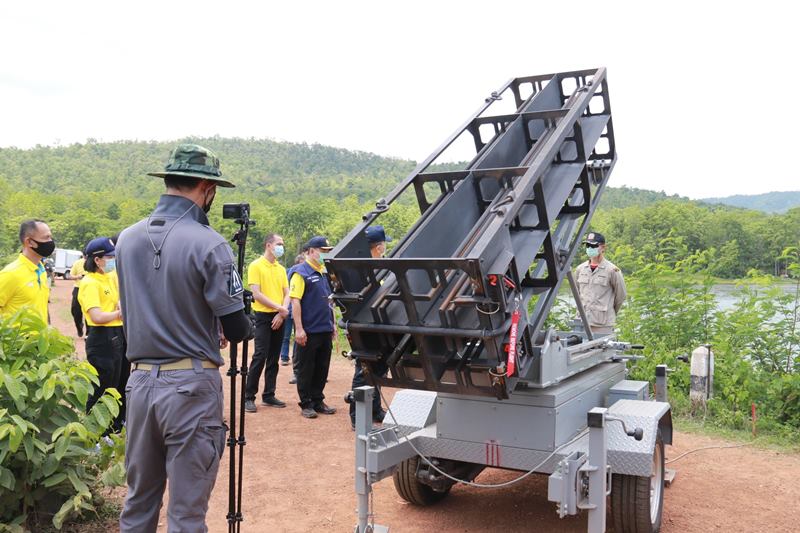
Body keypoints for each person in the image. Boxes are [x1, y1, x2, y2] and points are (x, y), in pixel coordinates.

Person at [115, 144, 253, 532]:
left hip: (139, 383)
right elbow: (239, 329)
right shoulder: (210, 243)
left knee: (139, 501)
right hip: (191, 386)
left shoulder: (126, 239)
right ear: (207, 188)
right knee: (187, 512)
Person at [78, 237, 126, 432]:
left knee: (117, 384)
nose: (113, 261)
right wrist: (119, 313)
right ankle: (95, 433)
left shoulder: (109, 276)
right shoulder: (89, 282)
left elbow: (121, 297)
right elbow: (96, 316)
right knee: (102, 387)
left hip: (117, 333)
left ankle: (114, 428)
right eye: (109, 257)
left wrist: (121, 306)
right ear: (97, 260)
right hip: (102, 338)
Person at [349, 225, 391, 428]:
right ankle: (357, 416)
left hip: (377, 325)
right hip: (365, 326)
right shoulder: (363, 269)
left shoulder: (375, 266)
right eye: (383, 245)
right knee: (364, 371)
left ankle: (375, 410)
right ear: (379, 246)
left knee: (379, 370)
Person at [290, 236, 337, 419]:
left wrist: (332, 325)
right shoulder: (300, 273)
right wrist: (299, 329)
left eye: (327, 251)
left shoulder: (324, 273)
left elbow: (329, 302)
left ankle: (318, 400)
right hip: (308, 330)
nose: (325, 254)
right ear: (310, 251)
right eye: (322, 251)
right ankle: (306, 403)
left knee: (322, 367)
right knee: (306, 368)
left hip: (324, 329)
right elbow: (295, 302)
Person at [244, 233, 290, 412]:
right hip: (263, 317)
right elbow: (256, 294)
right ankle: (249, 396)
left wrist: (282, 312)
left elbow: (287, 293)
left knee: (274, 357)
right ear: (268, 245)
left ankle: (269, 394)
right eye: (279, 243)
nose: (281, 247)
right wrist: (280, 308)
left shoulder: (281, 268)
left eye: (282, 244)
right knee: (260, 355)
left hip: (279, 316)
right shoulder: (256, 266)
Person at [0, 219, 54, 323]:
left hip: (40, 338)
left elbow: (41, 305)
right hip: (17, 339)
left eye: (50, 237)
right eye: (46, 237)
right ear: (29, 242)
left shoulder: (41, 270)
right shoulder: (10, 274)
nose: (50, 242)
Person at [574, 232, 627, 336]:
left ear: (603, 247)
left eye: (593, 245)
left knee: (602, 351)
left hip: (603, 324)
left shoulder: (612, 270)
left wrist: (609, 311)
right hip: (582, 321)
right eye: (588, 245)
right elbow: (577, 293)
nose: (590, 248)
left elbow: (621, 296)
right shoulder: (580, 269)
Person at [281, 253, 305, 384]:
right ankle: (284, 357)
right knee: (285, 335)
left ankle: (299, 366)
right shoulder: (288, 273)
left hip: (297, 310)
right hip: (288, 309)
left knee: (298, 336)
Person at [69, 253, 87, 337]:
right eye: (85, 256)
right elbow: (71, 276)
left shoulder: (94, 262)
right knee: (75, 311)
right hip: (78, 288)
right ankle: (79, 327)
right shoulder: (77, 263)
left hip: (89, 289)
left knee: (90, 311)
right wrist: (78, 276)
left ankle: (89, 333)